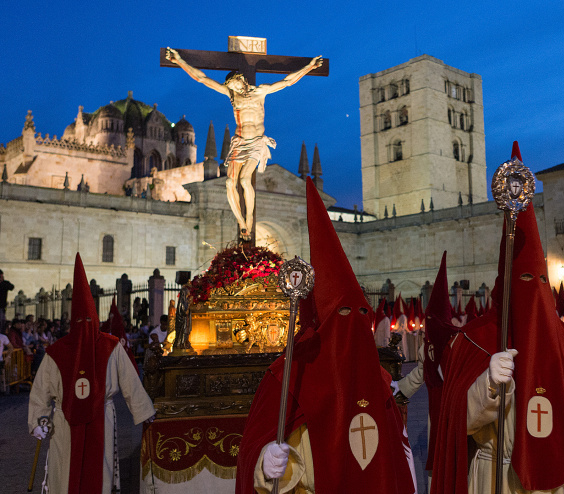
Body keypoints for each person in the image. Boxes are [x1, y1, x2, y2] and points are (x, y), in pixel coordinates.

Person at [431, 144, 564, 494]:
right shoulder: (473, 339)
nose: (533, 291)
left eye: (540, 281)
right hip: (495, 478)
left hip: (559, 483)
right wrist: (486, 384)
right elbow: (458, 422)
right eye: (523, 282)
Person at [236, 178, 415, 494]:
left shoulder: (379, 382)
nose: (353, 326)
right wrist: (265, 462)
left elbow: (398, 461)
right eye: (342, 315)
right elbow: (254, 449)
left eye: (360, 314)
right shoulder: (288, 377)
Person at [28, 254, 155, 494]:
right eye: (81, 320)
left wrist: (143, 410)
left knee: (99, 472)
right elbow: (42, 389)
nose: (85, 325)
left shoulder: (110, 346)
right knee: (65, 470)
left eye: (89, 319)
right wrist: (38, 419)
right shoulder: (58, 352)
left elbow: (130, 383)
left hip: (101, 418)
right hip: (65, 422)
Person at [166, 47, 323, 240]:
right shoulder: (232, 96)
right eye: (230, 86)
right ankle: (241, 222)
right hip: (239, 143)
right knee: (230, 182)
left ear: (242, 79)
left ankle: (249, 219)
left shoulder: (261, 92)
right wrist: (179, 61)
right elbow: (203, 79)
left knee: (244, 180)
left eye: (235, 83)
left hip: (256, 143)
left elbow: (287, 81)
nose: (235, 88)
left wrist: (309, 66)